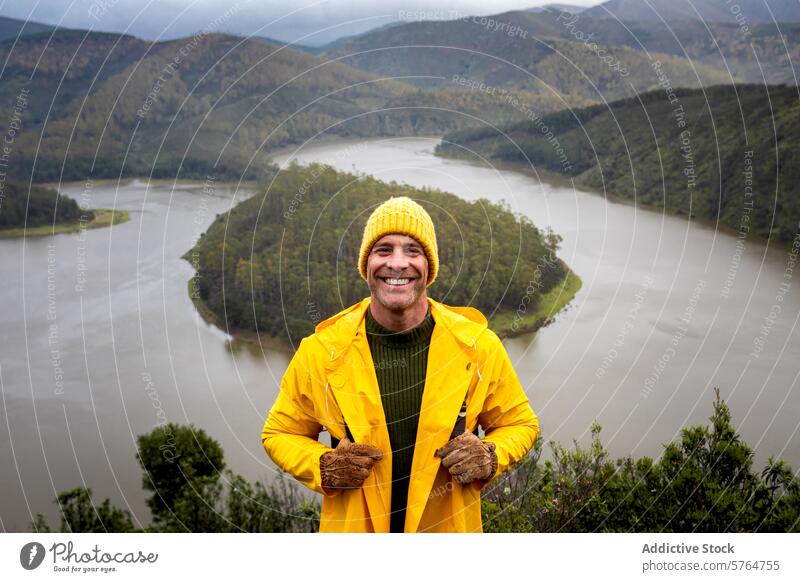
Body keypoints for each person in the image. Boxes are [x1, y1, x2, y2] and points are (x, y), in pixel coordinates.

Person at [261, 196, 539, 532]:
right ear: (366, 264)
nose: (397, 263)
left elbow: (520, 424)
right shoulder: (322, 352)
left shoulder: (478, 347)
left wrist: (491, 456)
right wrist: (323, 466)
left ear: (429, 267)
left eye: (412, 250)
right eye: (383, 250)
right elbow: (280, 432)